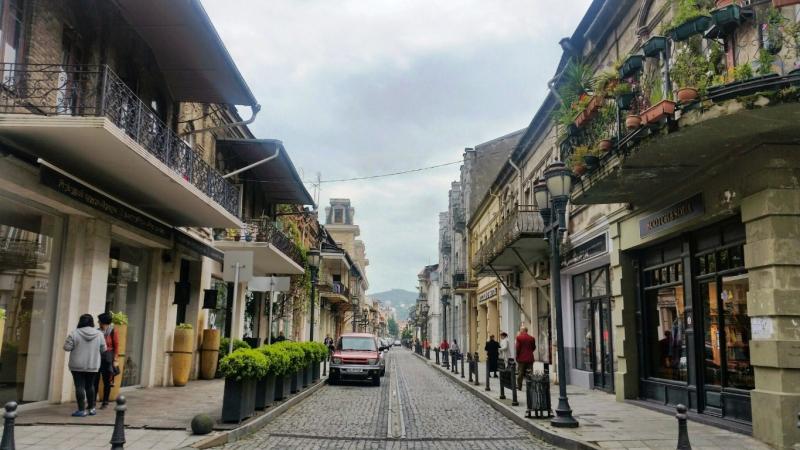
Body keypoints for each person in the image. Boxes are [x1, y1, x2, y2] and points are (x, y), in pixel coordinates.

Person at [63, 314, 106, 417]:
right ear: (92, 322)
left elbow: (67, 348)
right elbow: (103, 349)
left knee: (79, 386)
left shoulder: (74, 333)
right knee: (90, 386)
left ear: (80, 322)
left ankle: (81, 410)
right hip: (92, 365)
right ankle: (92, 409)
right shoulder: (99, 334)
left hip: (77, 365)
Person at [94, 312, 119, 409]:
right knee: (94, 381)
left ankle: (105, 402)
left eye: (99, 321)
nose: (98, 322)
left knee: (106, 381)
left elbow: (116, 346)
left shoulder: (113, 331)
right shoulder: (96, 331)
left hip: (108, 359)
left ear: (103, 322)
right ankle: (92, 402)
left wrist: (115, 360)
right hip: (97, 358)